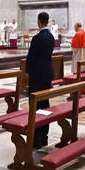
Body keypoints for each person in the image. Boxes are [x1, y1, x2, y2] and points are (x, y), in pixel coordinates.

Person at [26, 11, 55, 149]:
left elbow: (31, 57)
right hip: (47, 73)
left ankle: (36, 139)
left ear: (39, 21)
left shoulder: (37, 38)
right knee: (45, 104)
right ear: (47, 21)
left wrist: (27, 72)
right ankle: (44, 137)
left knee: (35, 106)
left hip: (37, 75)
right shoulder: (51, 36)